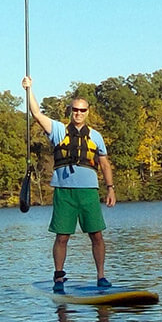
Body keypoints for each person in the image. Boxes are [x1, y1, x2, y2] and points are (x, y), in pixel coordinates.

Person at [22, 76, 116, 292]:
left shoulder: (96, 137)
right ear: (70, 110)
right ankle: (58, 276)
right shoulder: (58, 130)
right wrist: (29, 90)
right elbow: (36, 113)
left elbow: (104, 163)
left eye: (82, 110)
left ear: (88, 112)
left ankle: (101, 276)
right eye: (75, 109)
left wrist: (110, 188)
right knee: (62, 236)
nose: (78, 113)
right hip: (65, 192)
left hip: (89, 192)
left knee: (97, 235)